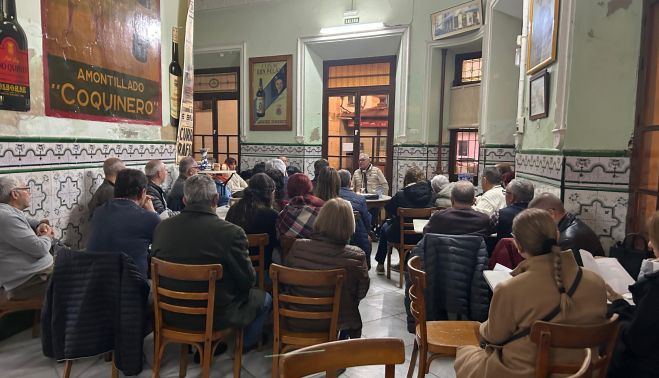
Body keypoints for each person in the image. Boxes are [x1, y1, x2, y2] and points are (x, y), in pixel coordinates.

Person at [454, 209, 608, 378]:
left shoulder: (510, 289)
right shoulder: (596, 282)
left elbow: (494, 337)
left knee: (465, 354)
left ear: (517, 244)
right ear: (557, 235)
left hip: (523, 372)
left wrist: (481, 326)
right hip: (583, 370)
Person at [151, 174, 271, 353]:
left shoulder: (162, 227)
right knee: (265, 299)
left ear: (184, 200)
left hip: (169, 312)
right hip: (215, 315)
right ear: (216, 199)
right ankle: (245, 343)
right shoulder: (231, 233)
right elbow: (247, 281)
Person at [285, 198, 370, 339]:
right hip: (336, 322)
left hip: (296, 318)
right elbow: (361, 293)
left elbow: (287, 282)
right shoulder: (357, 257)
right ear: (350, 223)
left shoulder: (297, 247)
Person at [607, 210, 659, 377]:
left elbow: (637, 341)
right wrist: (621, 303)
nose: (649, 245)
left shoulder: (655, 287)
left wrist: (618, 311)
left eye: (653, 238)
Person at [86, 169, 160, 278]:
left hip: (97, 284)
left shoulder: (99, 212)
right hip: (132, 286)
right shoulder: (148, 217)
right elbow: (166, 242)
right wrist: (152, 212)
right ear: (142, 192)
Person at [0, 176, 55, 302]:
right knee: (78, 279)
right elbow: (40, 249)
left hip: (34, 273)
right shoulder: (6, 217)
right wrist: (47, 236)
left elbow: (26, 220)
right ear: (14, 194)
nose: (29, 192)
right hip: (27, 281)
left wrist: (39, 225)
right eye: (26, 189)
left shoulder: (8, 212)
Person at [374, 166, 433, 274]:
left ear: (407, 179)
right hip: (422, 235)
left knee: (384, 228)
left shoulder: (401, 194)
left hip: (401, 235)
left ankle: (381, 264)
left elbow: (389, 209)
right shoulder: (431, 195)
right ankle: (405, 263)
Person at [528, 193, 605, 263]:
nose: (536, 224)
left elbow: (566, 274)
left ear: (551, 213)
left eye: (537, 218)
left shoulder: (567, 240)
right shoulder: (571, 223)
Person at [226, 173, 279, 273]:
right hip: (264, 270)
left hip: (236, 269)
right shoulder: (272, 215)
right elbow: (277, 242)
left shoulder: (234, 210)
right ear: (271, 193)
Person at [423, 181, 491, 236]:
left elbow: (426, 234)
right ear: (473, 201)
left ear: (452, 199)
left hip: (445, 252)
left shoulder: (438, 217)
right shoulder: (484, 220)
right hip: (471, 253)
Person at [338, 169, 372, 265]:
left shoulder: (331, 197)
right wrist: (367, 233)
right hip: (358, 240)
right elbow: (367, 222)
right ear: (349, 182)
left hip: (336, 240)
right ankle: (366, 265)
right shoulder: (360, 199)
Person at [276, 173, 324, 239]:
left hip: (292, 249)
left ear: (289, 190)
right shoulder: (322, 213)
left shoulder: (282, 216)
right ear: (309, 187)